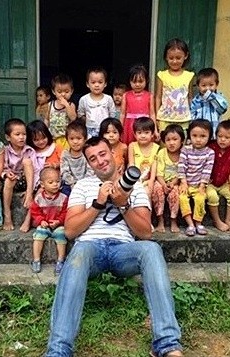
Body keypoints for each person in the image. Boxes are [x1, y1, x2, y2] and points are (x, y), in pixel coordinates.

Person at [44, 136, 183, 357]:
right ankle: (58, 350)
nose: (99, 161)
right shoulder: (83, 186)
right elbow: (70, 231)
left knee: (151, 249)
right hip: (90, 248)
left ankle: (167, 344)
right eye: (93, 159)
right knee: (78, 251)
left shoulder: (135, 187)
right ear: (89, 164)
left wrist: (123, 205)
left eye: (102, 154)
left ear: (113, 154)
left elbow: (145, 232)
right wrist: (98, 204)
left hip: (123, 250)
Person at [206, 120, 230, 232]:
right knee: (212, 196)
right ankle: (217, 220)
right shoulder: (211, 147)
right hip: (210, 183)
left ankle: (228, 220)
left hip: (224, 183)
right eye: (220, 136)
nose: (222, 139)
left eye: (227, 137)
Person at [30, 166, 69, 274]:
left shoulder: (63, 198)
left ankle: (61, 260)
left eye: (57, 181)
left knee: (61, 235)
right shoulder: (39, 198)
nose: (55, 184)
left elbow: (66, 212)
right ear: (42, 184)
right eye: (51, 182)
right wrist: (41, 220)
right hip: (44, 224)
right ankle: (36, 259)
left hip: (58, 225)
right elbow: (34, 212)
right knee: (38, 236)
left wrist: (59, 221)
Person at [178, 119, 214, 236]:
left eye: (203, 136)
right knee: (183, 198)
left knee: (200, 199)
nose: (198, 139)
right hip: (186, 184)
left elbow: (207, 170)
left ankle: (198, 223)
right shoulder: (185, 150)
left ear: (209, 136)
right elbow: (182, 166)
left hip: (199, 185)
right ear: (189, 136)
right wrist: (183, 182)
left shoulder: (210, 152)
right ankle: (190, 224)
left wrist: (203, 185)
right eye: (194, 135)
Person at [1, 118, 37, 232]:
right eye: (17, 134)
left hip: (26, 180)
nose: (22, 137)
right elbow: (3, 167)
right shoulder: (4, 150)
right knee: (8, 180)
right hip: (11, 181)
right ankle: (7, 214)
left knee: (27, 161)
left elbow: (34, 170)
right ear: (8, 137)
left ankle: (29, 194)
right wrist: (7, 174)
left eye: (24, 134)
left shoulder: (30, 150)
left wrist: (29, 190)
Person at [154, 38, 194, 134]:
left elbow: (190, 97)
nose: (174, 61)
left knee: (181, 145)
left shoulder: (189, 76)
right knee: (165, 144)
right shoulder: (162, 75)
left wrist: (192, 115)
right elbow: (158, 96)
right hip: (164, 117)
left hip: (183, 118)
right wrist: (157, 116)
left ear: (185, 56)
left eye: (178, 58)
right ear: (166, 57)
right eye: (171, 58)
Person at [152, 124, 184, 233]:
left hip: (176, 181)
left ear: (182, 141)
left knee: (175, 194)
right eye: (168, 140)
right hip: (161, 181)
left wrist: (173, 183)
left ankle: (173, 220)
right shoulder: (162, 153)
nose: (171, 143)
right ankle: (160, 220)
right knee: (157, 191)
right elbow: (159, 172)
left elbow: (182, 172)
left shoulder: (183, 154)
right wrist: (164, 184)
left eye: (175, 139)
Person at [120, 64, 157, 144]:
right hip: (129, 126)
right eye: (134, 81)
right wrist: (119, 130)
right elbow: (122, 114)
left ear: (146, 81)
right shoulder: (126, 95)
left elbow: (152, 114)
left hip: (145, 125)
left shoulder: (149, 96)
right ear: (130, 81)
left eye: (140, 81)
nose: (137, 84)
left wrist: (155, 130)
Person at [189, 68, 229, 138]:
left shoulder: (219, 97)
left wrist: (210, 97)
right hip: (200, 135)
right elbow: (192, 117)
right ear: (198, 86)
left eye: (211, 85)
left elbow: (223, 109)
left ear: (216, 84)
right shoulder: (196, 100)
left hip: (214, 133)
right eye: (204, 85)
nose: (207, 88)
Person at [77, 67, 116, 138]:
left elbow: (112, 115)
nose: (97, 85)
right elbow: (80, 114)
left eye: (100, 82)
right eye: (93, 82)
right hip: (89, 130)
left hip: (106, 130)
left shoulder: (108, 99)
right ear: (87, 84)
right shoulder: (84, 99)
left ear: (105, 84)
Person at [127, 117, 159, 198]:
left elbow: (154, 166)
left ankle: (148, 210)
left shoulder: (156, 147)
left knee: (147, 193)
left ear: (152, 134)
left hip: (148, 180)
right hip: (134, 178)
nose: (143, 136)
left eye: (146, 132)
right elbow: (131, 164)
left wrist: (151, 180)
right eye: (139, 133)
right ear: (135, 134)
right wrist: (132, 179)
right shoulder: (132, 146)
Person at [60, 120, 94, 196]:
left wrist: (82, 184)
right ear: (67, 140)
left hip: (86, 183)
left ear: (85, 139)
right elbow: (64, 172)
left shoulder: (87, 153)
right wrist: (73, 184)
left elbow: (90, 170)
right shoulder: (65, 154)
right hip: (70, 184)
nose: (75, 142)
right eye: (71, 139)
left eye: (78, 138)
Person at [46, 74, 78, 150]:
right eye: (59, 92)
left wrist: (66, 105)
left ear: (71, 91)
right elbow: (47, 119)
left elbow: (73, 118)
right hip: (53, 138)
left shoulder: (71, 105)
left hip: (66, 139)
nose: (63, 94)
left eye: (66, 91)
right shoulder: (50, 104)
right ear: (54, 91)